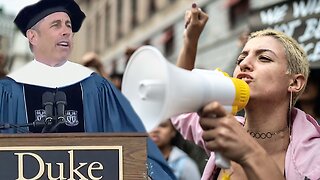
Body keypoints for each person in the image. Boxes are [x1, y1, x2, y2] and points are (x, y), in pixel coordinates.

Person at [0, 0, 176, 179]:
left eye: (69, 26)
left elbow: (137, 149)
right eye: (56, 25)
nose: (66, 31)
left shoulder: (96, 88)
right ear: (32, 36)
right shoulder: (9, 91)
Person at [172, 3, 320, 179]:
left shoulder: (314, 156)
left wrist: (248, 152)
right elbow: (179, 105)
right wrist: (190, 40)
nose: (243, 64)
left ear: (295, 82)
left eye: (264, 58)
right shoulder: (224, 128)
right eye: (241, 58)